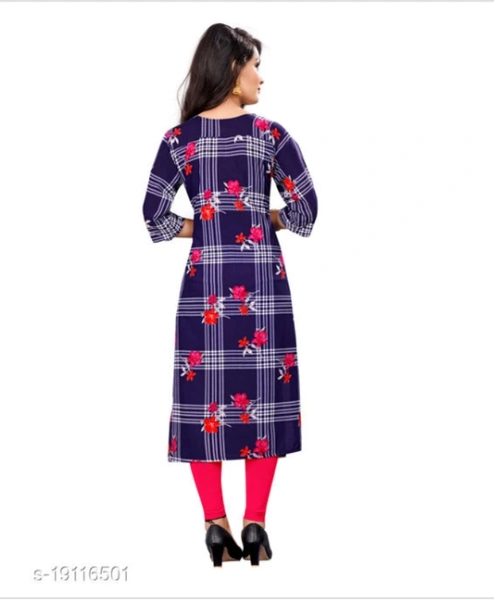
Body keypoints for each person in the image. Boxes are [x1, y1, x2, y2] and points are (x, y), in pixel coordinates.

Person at [142, 23, 318, 567]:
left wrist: (207, 226)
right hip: (263, 286)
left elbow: (154, 217)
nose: (261, 77)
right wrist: (260, 218)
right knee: (264, 397)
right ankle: (256, 522)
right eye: (255, 65)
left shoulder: (179, 141)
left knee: (204, 403)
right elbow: (306, 212)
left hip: (206, 291)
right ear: (233, 70)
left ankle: (215, 524)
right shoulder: (271, 135)